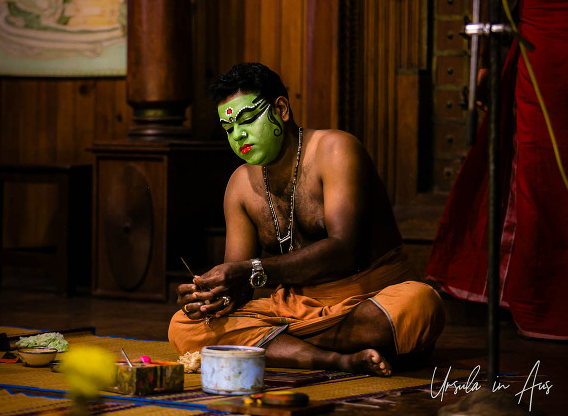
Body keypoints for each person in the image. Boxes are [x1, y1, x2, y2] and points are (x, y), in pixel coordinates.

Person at [168, 63, 445, 376]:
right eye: (228, 129)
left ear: (282, 109)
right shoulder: (239, 185)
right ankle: (338, 359)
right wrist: (214, 297)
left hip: (371, 299)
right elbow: (241, 285)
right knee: (184, 328)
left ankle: (285, 347)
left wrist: (251, 273)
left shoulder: (334, 149)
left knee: (420, 304)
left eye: (246, 119)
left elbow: (345, 250)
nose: (238, 135)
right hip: (294, 308)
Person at [425, 0, 568, 340]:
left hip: (546, 18)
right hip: (546, 25)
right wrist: (486, 57)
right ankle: (541, 303)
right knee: (541, 167)